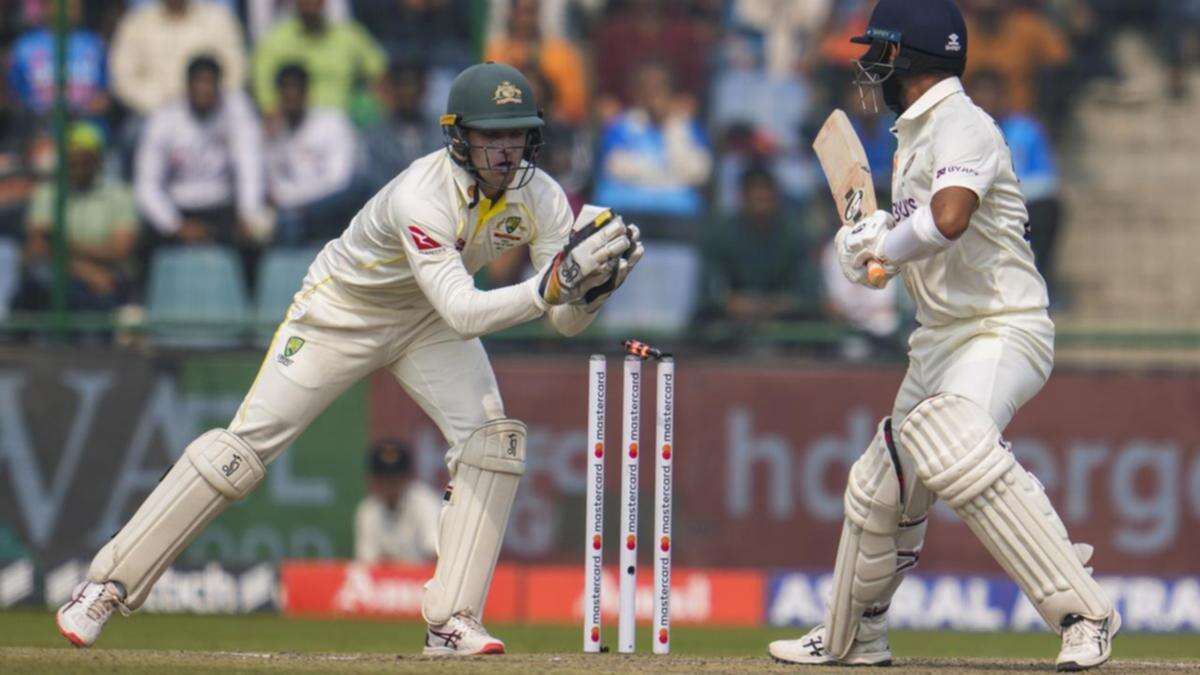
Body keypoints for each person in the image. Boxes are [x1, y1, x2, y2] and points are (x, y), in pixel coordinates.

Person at [55, 62, 643, 657]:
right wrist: (552, 285)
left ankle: (450, 621)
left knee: (495, 443)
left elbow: (563, 322)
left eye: (516, 134)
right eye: (491, 135)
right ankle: (104, 586)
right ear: (458, 135)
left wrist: (592, 290)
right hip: (342, 313)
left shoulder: (539, 195)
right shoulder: (422, 194)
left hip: (426, 322)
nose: (505, 150)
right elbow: (471, 311)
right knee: (240, 452)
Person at [767, 1, 1119, 671]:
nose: (871, 63)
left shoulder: (963, 125)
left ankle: (1084, 613)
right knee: (879, 488)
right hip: (938, 338)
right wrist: (866, 258)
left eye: (883, 50)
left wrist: (887, 248)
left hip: (999, 327)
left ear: (914, 59)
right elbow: (914, 244)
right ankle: (852, 637)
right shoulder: (912, 135)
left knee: (955, 446)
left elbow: (949, 219)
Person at [135, 56, 267, 248]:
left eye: (209, 83)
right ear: (187, 86)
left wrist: (248, 214)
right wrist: (175, 225)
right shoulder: (163, 119)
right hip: (178, 208)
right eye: (198, 83)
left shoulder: (237, 111)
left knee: (254, 239)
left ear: (219, 86)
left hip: (222, 207)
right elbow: (147, 185)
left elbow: (250, 169)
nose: (204, 89)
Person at [21, 122, 138, 312]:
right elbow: (38, 247)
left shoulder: (119, 195)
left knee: (100, 295)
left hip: (108, 276)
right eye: (72, 161)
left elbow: (119, 251)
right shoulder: (46, 193)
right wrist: (85, 271)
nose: (77, 168)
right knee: (40, 278)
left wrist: (61, 243)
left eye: (85, 161)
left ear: (98, 161)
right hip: (69, 275)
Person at [265, 63, 360, 245]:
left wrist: (297, 204)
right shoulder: (273, 131)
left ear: (307, 92)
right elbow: (273, 189)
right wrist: (267, 141)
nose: (291, 95)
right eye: (286, 89)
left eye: (296, 89)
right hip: (292, 213)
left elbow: (339, 181)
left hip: (331, 206)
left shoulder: (333, 122)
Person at [108, 0, 247, 117]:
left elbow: (236, 71)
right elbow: (122, 79)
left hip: (212, 113)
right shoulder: (136, 22)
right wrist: (161, 105)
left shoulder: (218, 19)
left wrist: (206, 98)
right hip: (151, 114)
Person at [253, 0, 387, 120]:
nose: (310, 4)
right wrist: (270, 109)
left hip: (346, 117)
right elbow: (262, 80)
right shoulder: (276, 39)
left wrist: (382, 104)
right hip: (297, 121)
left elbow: (378, 71)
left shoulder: (348, 36)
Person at [354, 439, 441, 564]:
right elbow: (367, 563)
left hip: (423, 580)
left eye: (395, 477)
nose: (389, 484)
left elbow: (436, 556)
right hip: (385, 582)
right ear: (373, 480)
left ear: (408, 477)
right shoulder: (368, 509)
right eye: (383, 478)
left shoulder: (425, 502)